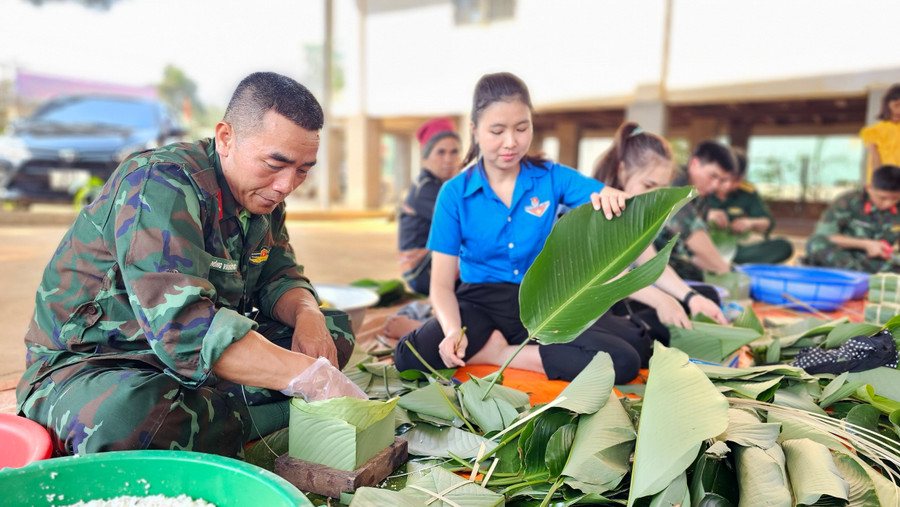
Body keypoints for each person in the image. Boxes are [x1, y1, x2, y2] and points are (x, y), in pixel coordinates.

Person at [16, 72, 365, 458]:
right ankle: (270, 415)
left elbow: (279, 277)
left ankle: (212, 418)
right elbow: (185, 328)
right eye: (275, 163)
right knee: (128, 420)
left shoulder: (263, 197)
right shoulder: (160, 182)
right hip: (97, 364)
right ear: (226, 138)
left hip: (193, 365)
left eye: (303, 169)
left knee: (334, 332)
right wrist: (311, 380)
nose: (287, 185)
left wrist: (307, 312)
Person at [393, 72, 648, 384]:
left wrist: (614, 198)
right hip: (479, 303)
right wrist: (450, 331)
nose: (510, 143)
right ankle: (496, 348)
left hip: (541, 304)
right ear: (475, 131)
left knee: (627, 358)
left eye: (521, 128)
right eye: (497, 131)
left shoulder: (552, 177)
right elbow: (442, 285)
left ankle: (499, 354)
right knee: (408, 357)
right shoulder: (454, 193)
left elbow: (607, 197)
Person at [592, 122, 727, 342]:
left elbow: (654, 267)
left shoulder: (635, 211)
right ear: (622, 169)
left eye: (660, 188)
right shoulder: (598, 206)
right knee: (636, 340)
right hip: (596, 304)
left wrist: (691, 297)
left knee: (705, 298)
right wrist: (661, 300)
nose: (653, 196)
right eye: (648, 185)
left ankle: (643, 325)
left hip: (624, 298)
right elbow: (608, 278)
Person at [654, 140, 737, 281]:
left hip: (672, 259)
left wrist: (720, 268)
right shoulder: (672, 179)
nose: (715, 185)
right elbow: (692, 230)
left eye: (722, 180)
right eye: (713, 176)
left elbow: (692, 252)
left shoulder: (702, 194)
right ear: (694, 164)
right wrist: (723, 268)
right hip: (643, 259)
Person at [397, 117, 462, 296]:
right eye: (440, 152)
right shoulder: (425, 188)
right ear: (426, 158)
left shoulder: (446, 185)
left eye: (454, 152)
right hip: (420, 270)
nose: (448, 159)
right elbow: (464, 221)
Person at [805, 164, 900, 273]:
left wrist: (893, 252)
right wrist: (866, 244)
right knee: (816, 243)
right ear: (869, 188)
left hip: (880, 263)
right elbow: (826, 235)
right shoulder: (849, 201)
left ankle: (872, 280)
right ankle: (857, 278)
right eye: (882, 198)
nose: (888, 203)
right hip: (846, 258)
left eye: (895, 198)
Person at [706, 147, 794, 265]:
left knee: (783, 246)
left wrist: (750, 223)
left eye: (735, 180)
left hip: (733, 249)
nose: (728, 185)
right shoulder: (701, 187)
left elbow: (768, 222)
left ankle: (728, 261)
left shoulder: (747, 192)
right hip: (701, 245)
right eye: (724, 179)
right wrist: (705, 216)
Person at [860, 84, 900, 184]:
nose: (899, 110)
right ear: (887, 105)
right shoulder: (875, 131)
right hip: (884, 183)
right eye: (896, 105)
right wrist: (876, 183)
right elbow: (875, 159)